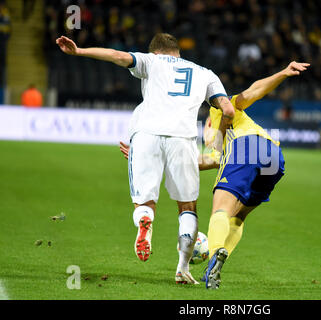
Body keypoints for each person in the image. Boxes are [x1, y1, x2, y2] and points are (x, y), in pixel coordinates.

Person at [56, 33, 235, 285]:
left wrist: (80, 52)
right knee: (187, 207)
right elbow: (228, 109)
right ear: (177, 53)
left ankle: (145, 223)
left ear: (156, 52)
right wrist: (218, 138)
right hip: (183, 139)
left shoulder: (151, 61)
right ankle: (182, 269)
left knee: (145, 202)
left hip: (146, 135)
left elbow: (118, 56)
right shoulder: (205, 73)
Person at [119, 61, 310, 289]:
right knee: (239, 216)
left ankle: (214, 255)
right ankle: (220, 257)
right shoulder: (220, 131)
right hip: (273, 155)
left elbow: (253, 92)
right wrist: (150, 155)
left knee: (220, 211)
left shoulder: (220, 108)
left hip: (246, 147)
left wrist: (282, 73)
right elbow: (209, 159)